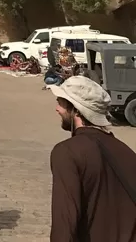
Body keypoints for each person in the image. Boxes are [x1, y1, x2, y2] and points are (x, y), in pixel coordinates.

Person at [49, 75, 136, 242]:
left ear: (75, 109)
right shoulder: (125, 151)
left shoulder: (66, 152)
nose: (57, 109)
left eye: (60, 102)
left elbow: (65, 219)